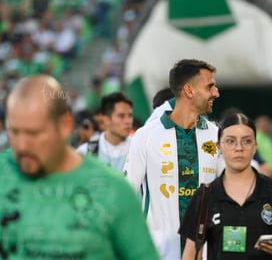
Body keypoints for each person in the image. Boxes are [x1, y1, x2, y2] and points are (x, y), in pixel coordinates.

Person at [1, 74, 159, 259]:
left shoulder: (113, 191)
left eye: (34, 134)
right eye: (15, 132)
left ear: (66, 125)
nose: (22, 145)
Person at [123, 59, 221, 259]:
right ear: (189, 90)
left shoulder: (217, 136)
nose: (216, 93)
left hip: (206, 254)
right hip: (159, 254)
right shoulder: (146, 136)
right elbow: (126, 196)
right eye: (210, 86)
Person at [179, 113, 272, 259]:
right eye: (230, 141)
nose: (238, 148)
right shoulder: (205, 195)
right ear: (219, 147)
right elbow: (190, 254)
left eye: (246, 141)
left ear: (255, 147)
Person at [77, 92, 133, 172]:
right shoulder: (86, 152)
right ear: (106, 120)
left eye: (130, 115)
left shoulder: (139, 147)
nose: (128, 121)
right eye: (121, 116)